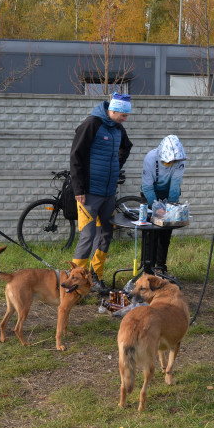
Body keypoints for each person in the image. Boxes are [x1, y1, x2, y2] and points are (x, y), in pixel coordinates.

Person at [69, 92, 133, 296]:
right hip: (88, 194)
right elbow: (76, 155)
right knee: (87, 237)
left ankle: (95, 278)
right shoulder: (91, 124)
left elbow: (127, 147)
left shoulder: (117, 128)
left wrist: (115, 166)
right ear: (112, 111)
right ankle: (74, 284)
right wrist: (78, 189)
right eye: (123, 115)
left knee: (106, 233)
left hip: (108, 193)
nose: (126, 119)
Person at [140, 134, 187, 280]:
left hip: (168, 194)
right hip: (150, 193)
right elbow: (147, 187)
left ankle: (160, 268)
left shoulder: (180, 161)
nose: (171, 163)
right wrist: (155, 207)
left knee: (165, 232)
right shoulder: (150, 158)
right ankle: (148, 269)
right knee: (150, 233)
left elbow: (175, 186)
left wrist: (170, 208)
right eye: (169, 160)